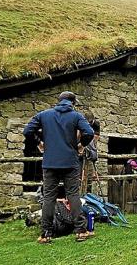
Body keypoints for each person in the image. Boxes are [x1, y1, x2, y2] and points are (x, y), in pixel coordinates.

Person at [23, 91, 94, 243]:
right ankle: (81, 231)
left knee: (49, 197)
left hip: (50, 162)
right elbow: (89, 132)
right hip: (70, 161)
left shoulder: (44, 115)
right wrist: (81, 145)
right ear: (72, 103)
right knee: (73, 195)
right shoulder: (76, 116)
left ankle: (45, 233)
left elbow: (27, 131)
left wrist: (39, 142)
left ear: (59, 101)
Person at [80, 111, 101, 194]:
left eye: (90, 122)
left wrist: (91, 146)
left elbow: (96, 137)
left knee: (92, 154)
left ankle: (88, 191)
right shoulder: (81, 123)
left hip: (90, 140)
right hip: (82, 140)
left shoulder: (96, 124)